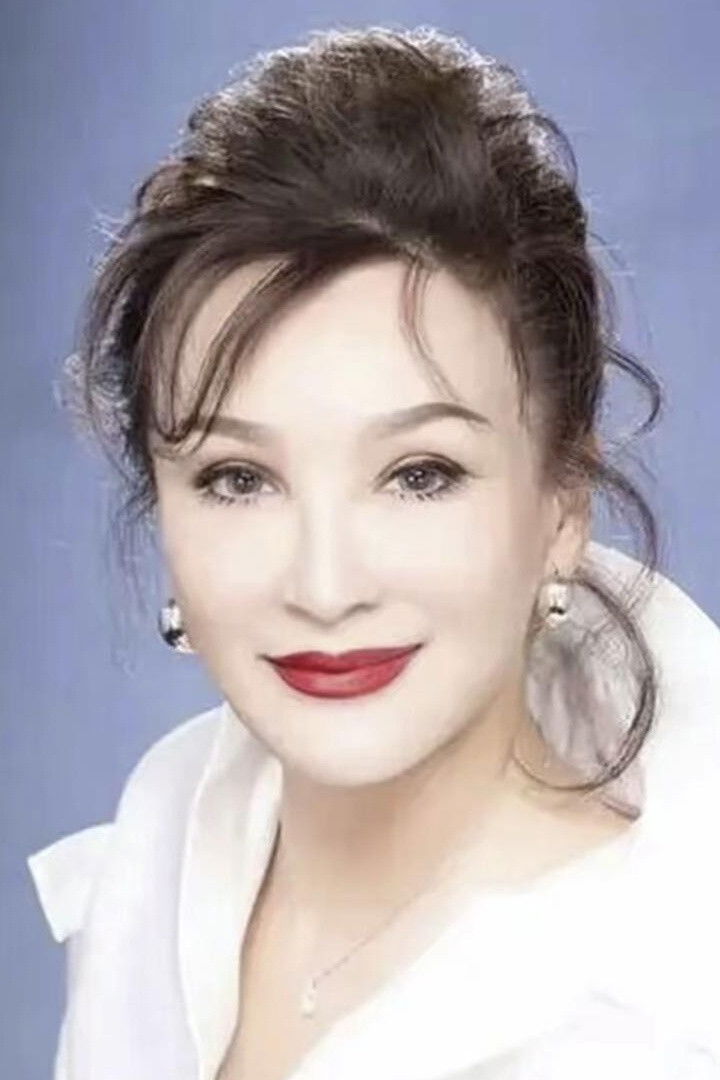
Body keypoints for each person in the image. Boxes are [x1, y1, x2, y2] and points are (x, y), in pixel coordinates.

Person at [27, 24, 720, 1080]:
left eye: (419, 474)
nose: (325, 585)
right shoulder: (159, 861)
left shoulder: (655, 1020)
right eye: (238, 479)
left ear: (563, 504)